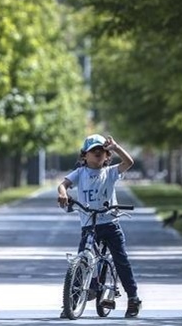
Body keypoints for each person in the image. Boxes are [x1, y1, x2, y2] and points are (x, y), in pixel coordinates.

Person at [57, 133, 142, 318]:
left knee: (121, 260)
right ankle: (73, 301)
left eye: (101, 151)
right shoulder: (80, 173)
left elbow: (129, 163)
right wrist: (63, 193)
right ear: (84, 156)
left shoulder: (110, 172)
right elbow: (63, 184)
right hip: (89, 225)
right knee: (82, 260)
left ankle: (133, 298)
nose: (97, 153)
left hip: (110, 223)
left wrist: (117, 147)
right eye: (93, 151)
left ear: (107, 156)